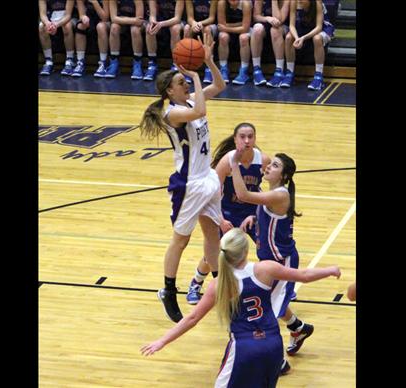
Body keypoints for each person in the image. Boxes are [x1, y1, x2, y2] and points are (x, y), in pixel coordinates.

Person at [141, 227, 341, 388]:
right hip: (273, 344)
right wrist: (329, 270)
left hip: (244, 347)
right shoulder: (266, 268)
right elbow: (304, 275)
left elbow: (192, 319)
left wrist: (162, 341)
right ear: (246, 251)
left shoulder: (218, 284)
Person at [139, 32, 226, 323]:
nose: (185, 82)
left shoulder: (187, 101)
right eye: (180, 82)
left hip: (208, 178)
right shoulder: (173, 113)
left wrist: (209, 62)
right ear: (169, 92)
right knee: (181, 240)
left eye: (184, 79)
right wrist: (196, 75)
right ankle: (168, 289)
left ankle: (221, 285)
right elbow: (201, 108)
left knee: (213, 234)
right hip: (189, 184)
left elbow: (221, 85)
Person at [230, 144, 318, 370]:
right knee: (272, 302)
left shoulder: (280, 194)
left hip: (282, 261)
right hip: (269, 259)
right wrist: (254, 217)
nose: (269, 166)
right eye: (270, 163)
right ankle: (298, 328)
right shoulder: (271, 193)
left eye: (275, 165)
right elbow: (263, 208)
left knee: (266, 309)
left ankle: (279, 362)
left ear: (284, 176)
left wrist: (234, 164)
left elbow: (242, 195)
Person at [186, 122, 271, 306]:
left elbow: (269, 188)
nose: (247, 140)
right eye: (242, 136)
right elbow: (212, 193)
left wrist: (265, 213)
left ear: (255, 139)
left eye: (250, 136)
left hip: (251, 212)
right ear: (235, 139)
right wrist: (221, 220)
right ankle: (196, 282)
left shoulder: (263, 160)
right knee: (218, 253)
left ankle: (273, 285)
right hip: (227, 211)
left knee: (265, 246)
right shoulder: (227, 161)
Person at [280, 0, 335, 90]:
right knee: (289, 37)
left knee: (317, 39)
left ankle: (319, 76)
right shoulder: (294, 2)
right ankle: (289, 73)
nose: (300, 0)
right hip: (303, 26)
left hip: (323, 28)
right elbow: (292, 26)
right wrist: (297, 38)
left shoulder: (317, 3)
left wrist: (303, 38)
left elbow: (318, 27)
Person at [250, 0, 290, 87]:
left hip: (283, 26)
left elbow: (279, 20)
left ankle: (279, 71)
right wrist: (267, 18)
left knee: (275, 30)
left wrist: (274, 1)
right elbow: (256, 16)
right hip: (267, 23)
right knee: (257, 29)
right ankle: (256, 70)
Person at [143, 0, 185, 81]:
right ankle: (152, 63)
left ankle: (176, 63)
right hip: (160, 21)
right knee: (149, 28)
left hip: (176, 22)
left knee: (175, 29)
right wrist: (153, 22)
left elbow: (177, 18)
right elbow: (152, 15)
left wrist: (161, 24)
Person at [107, 0, 146, 78]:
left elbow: (139, 21)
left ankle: (137, 64)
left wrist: (122, 19)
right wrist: (131, 20)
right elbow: (113, 19)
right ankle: (114, 63)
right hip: (124, 22)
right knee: (114, 27)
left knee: (135, 30)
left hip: (136, 24)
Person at [217, 0, 253, 84]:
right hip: (231, 30)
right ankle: (223, 69)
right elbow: (220, 25)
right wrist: (240, 24)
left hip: (244, 30)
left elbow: (245, 28)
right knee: (223, 37)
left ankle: (244, 71)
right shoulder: (221, 3)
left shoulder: (245, 4)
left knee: (243, 38)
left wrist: (227, 27)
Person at [72, 0, 110, 77]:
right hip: (90, 19)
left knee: (100, 27)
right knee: (80, 26)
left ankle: (103, 62)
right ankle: (80, 61)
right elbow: (81, 14)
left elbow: (105, 18)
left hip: (104, 21)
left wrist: (95, 2)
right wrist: (83, 17)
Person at [184, 0, 219, 84]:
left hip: (209, 24)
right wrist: (193, 23)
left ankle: (209, 67)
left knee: (206, 30)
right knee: (187, 29)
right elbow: (189, 18)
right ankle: (188, 65)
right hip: (195, 23)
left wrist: (200, 24)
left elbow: (211, 18)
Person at [39, 0, 76, 76]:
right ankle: (48, 61)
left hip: (68, 17)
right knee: (42, 27)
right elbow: (43, 15)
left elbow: (68, 15)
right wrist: (48, 24)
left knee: (67, 27)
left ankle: (70, 60)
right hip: (52, 17)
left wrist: (56, 25)